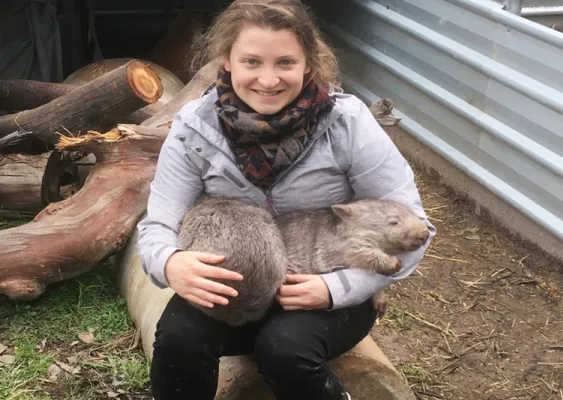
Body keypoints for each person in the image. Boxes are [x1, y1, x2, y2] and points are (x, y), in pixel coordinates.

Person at [136, 0, 436, 399]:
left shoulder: (347, 124)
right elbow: (158, 224)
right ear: (227, 62)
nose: (268, 79)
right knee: (178, 339)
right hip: (233, 286)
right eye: (252, 62)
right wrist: (170, 263)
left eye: (285, 63)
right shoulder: (195, 127)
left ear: (308, 65)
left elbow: (418, 226)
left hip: (323, 289)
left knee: (286, 349)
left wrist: (337, 288)